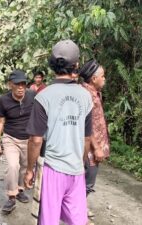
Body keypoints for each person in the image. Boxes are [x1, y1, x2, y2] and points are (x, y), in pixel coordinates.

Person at [24, 40, 93, 225]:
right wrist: (82, 163)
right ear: (76, 65)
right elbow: (87, 139)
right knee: (78, 221)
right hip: (76, 170)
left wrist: (29, 170)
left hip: (52, 169)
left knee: (48, 220)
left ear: (52, 65)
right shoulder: (85, 96)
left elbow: (36, 140)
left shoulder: (43, 96)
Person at [0, 70, 35, 213]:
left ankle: (20, 190)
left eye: (23, 84)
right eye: (17, 84)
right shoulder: (3, 100)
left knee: (24, 167)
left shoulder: (32, 96)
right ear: (10, 85)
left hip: (28, 139)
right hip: (10, 138)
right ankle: (11, 197)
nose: (20, 88)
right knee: (13, 166)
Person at [79, 59, 109, 217]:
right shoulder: (86, 95)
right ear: (93, 78)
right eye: (102, 76)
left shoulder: (94, 93)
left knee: (86, 180)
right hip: (88, 148)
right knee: (87, 181)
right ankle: (76, 209)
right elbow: (86, 125)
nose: (104, 79)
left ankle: (79, 207)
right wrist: (97, 148)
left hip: (93, 145)